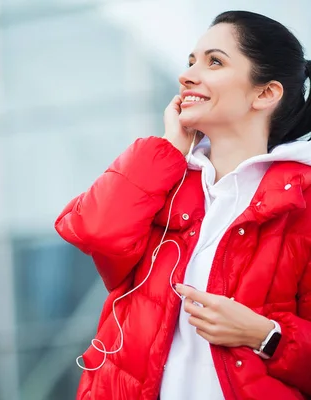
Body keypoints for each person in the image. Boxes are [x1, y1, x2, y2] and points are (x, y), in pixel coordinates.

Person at [55, 10, 311, 400]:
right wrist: (168, 148)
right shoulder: (164, 181)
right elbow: (93, 232)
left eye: (214, 62)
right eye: (191, 61)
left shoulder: (301, 202)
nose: (188, 75)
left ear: (265, 93)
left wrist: (267, 335)